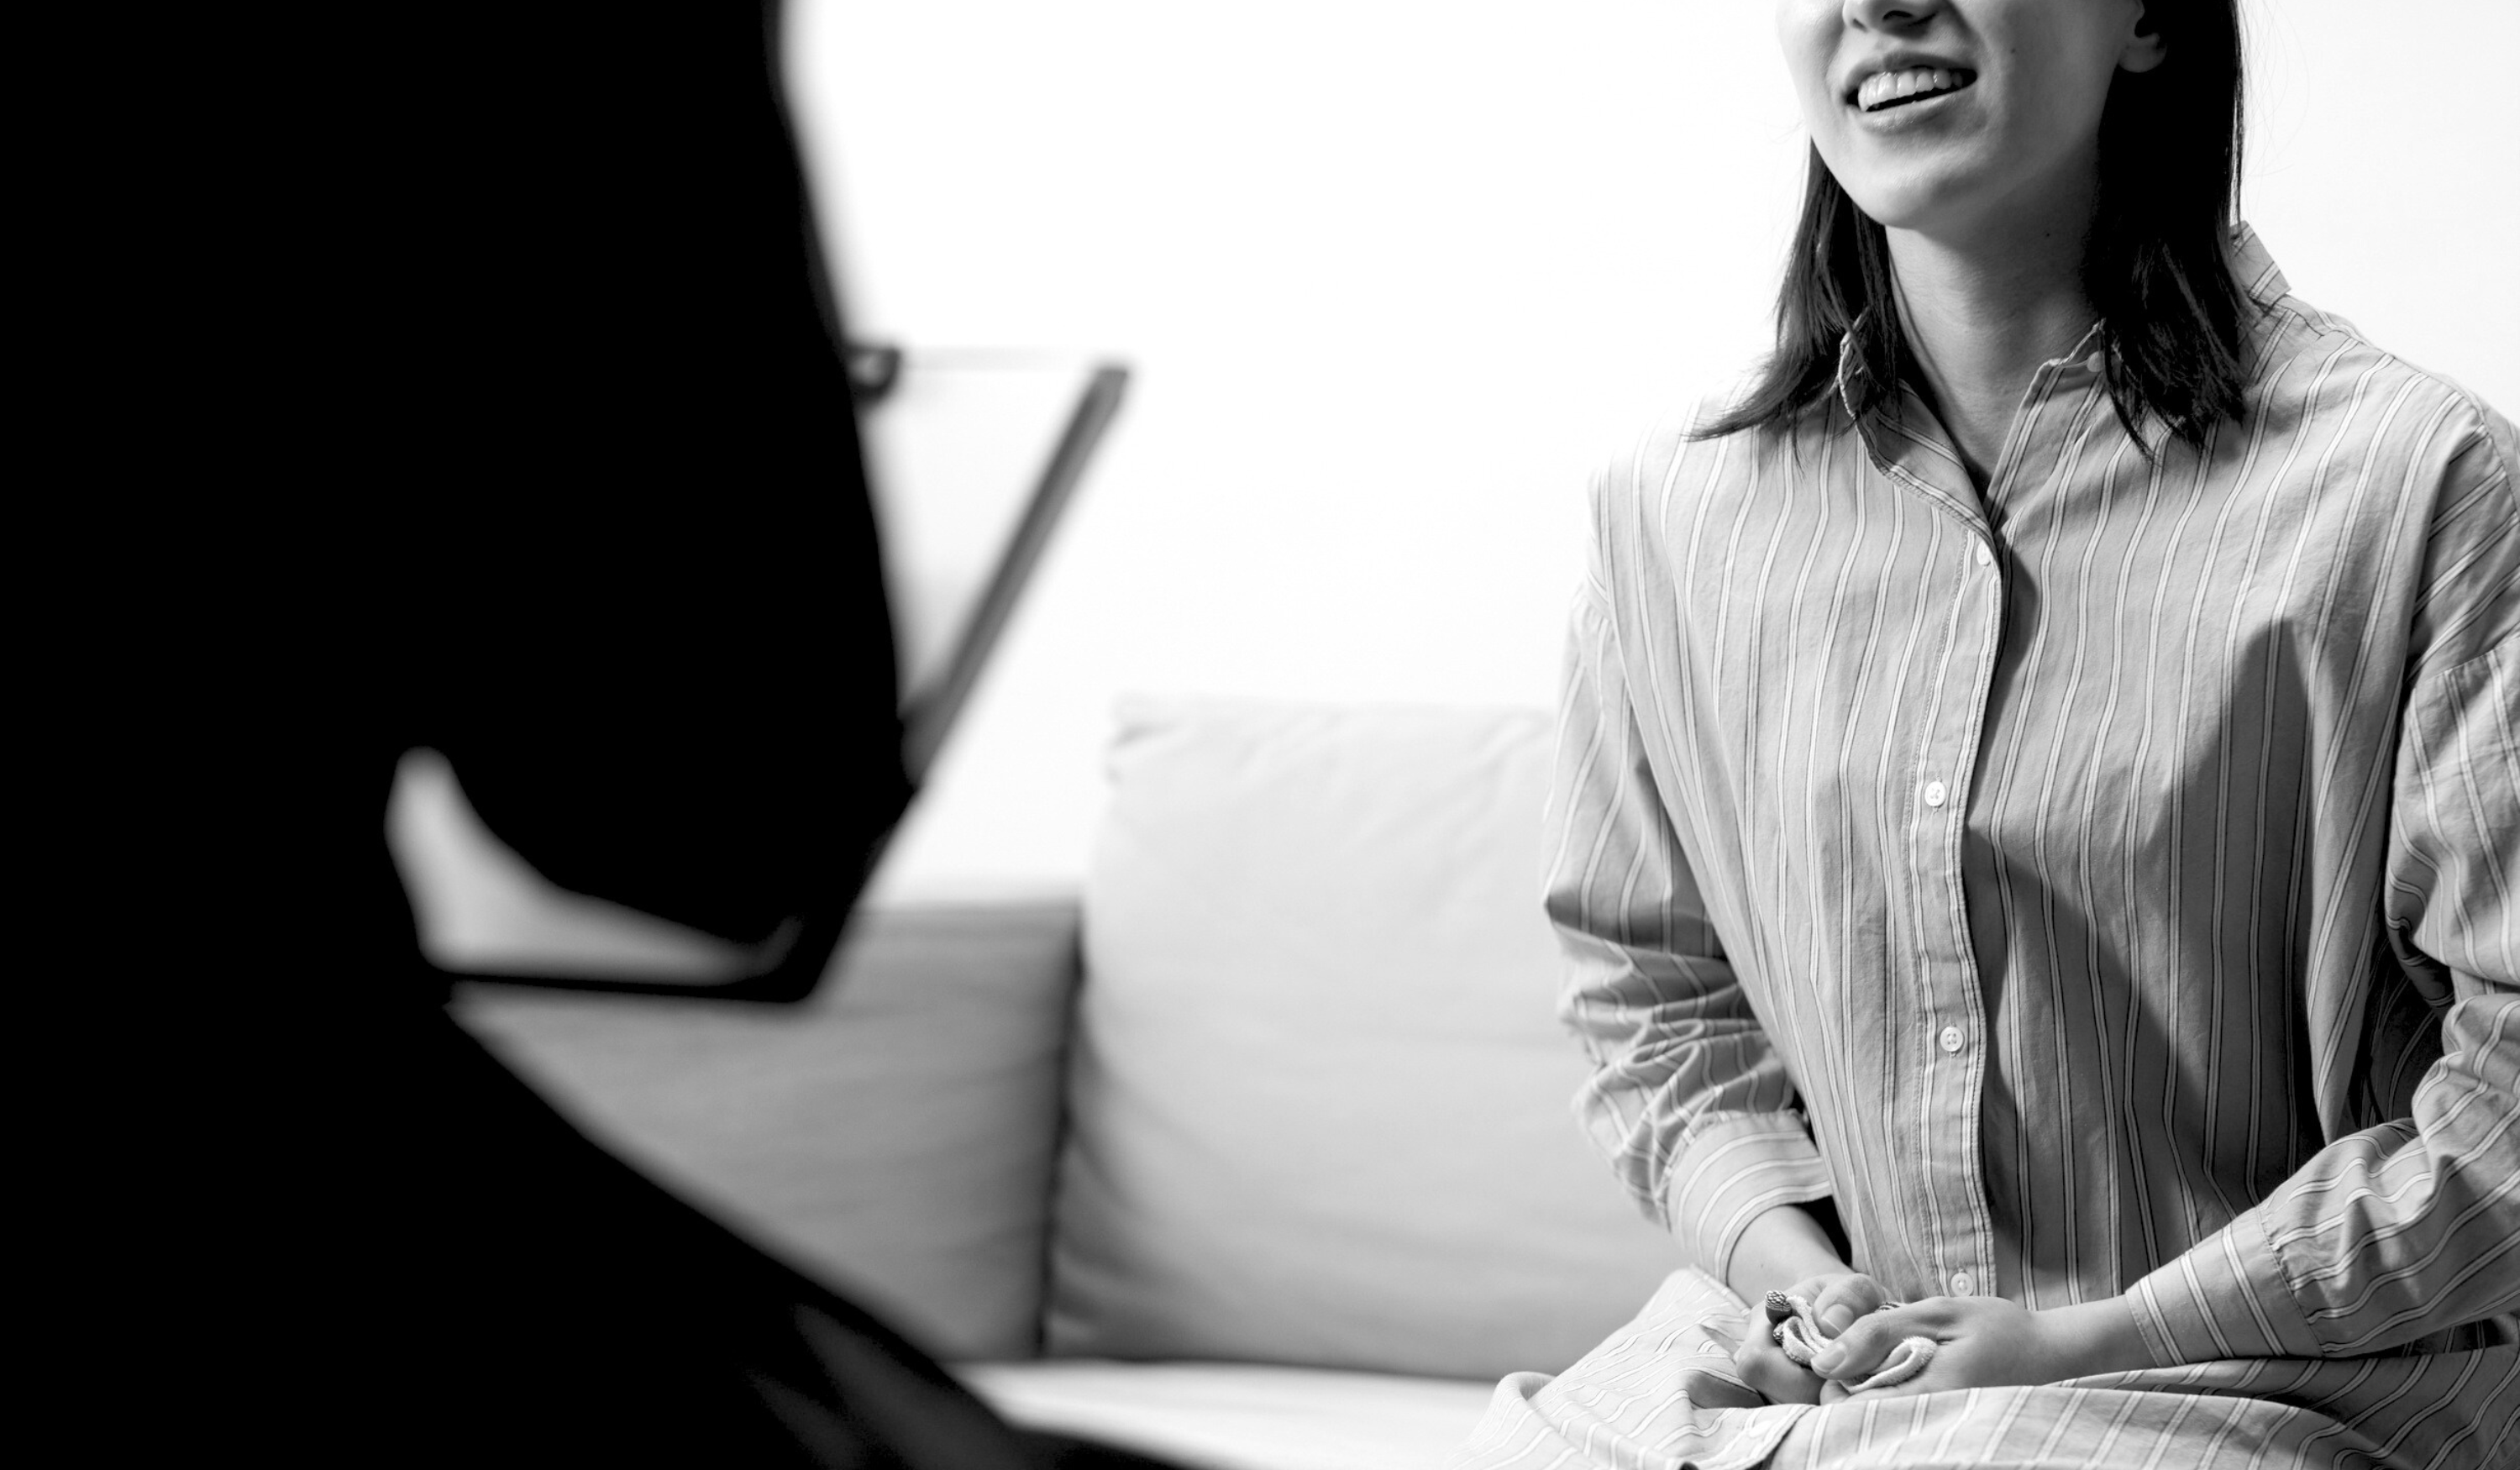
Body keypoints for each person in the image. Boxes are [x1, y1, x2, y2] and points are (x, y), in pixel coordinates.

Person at [1456, 1, 2517, 1466]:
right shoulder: (1674, 520)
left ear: (2147, 19)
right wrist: (1800, 1277)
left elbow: (2511, 1102)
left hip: (2267, 1392)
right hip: (1840, 1389)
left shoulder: (2416, 486)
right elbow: (1653, 995)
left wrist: (2106, 1336)